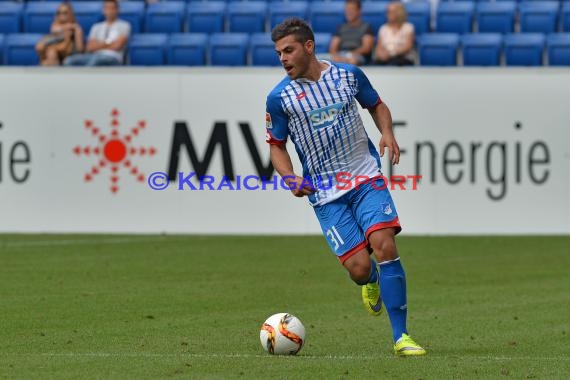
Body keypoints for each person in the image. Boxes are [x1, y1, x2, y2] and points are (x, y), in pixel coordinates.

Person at [266, 18, 426, 356]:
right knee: (359, 268)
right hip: (325, 193)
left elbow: (376, 104)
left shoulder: (348, 75)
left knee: (384, 245)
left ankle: (402, 337)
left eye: (289, 50)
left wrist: (387, 132)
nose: (283, 58)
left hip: (364, 175)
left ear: (309, 46)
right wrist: (290, 176)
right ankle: (369, 283)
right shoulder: (280, 98)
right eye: (279, 53)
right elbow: (276, 145)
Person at [64, 0, 130, 66]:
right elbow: (90, 47)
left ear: (118, 10)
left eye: (112, 8)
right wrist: (109, 44)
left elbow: (117, 46)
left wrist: (98, 44)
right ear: (103, 10)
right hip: (94, 55)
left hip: (113, 57)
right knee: (69, 60)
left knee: (96, 60)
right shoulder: (96, 27)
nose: (110, 11)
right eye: (107, 8)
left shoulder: (124, 25)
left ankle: (83, 76)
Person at [328, 0, 375, 66]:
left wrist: (350, 54)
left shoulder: (367, 27)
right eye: (347, 10)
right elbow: (333, 47)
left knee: (352, 61)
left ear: (359, 11)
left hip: (357, 55)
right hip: (341, 55)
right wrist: (336, 56)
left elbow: (366, 48)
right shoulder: (341, 27)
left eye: (351, 9)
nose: (348, 12)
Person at [374, 2, 415, 66]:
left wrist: (391, 54)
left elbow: (407, 47)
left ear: (399, 13)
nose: (388, 14)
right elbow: (379, 48)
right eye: (387, 12)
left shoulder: (408, 27)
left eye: (391, 12)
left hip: (402, 58)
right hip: (385, 58)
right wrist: (381, 55)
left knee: (394, 64)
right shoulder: (383, 28)